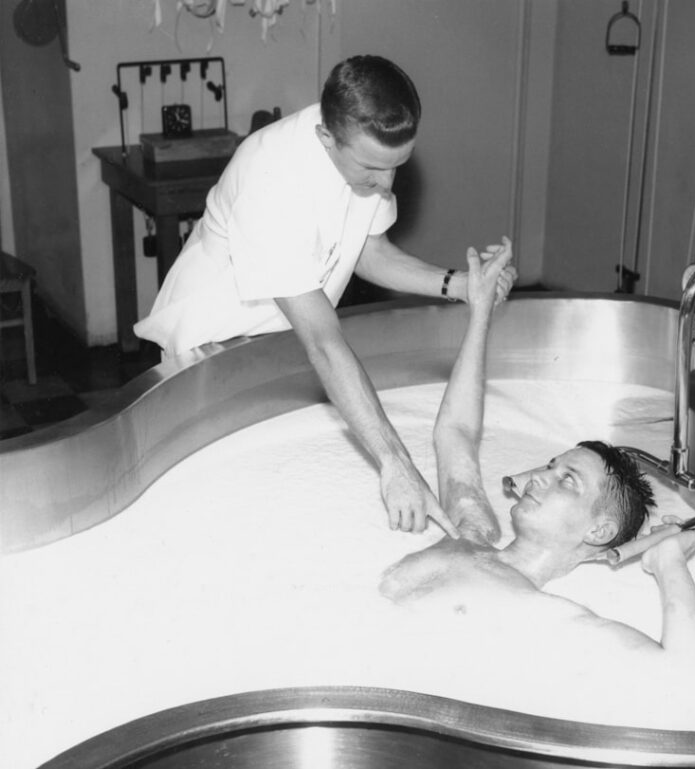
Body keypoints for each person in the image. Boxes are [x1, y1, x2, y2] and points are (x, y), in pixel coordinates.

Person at [134, 55, 515, 538]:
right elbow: (323, 340)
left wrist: (458, 285)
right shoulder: (269, 180)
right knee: (219, 515)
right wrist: (396, 463)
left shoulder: (365, 159)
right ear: (325, 138)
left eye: (397, 166)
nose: (386, 184)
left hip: (279, 347)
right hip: (209, 349)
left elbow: (368, 251)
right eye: (374, 169)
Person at [380, 241, 695, 683]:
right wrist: (480, 309)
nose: (538, 477)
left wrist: (670, 561)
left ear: (598, 532)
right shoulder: (470, 532)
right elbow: (454, 435)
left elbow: (689, 677)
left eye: (568, 481)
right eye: (552, 466)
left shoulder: (540, 615)